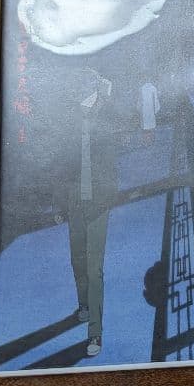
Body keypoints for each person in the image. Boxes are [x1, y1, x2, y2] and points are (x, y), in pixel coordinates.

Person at [65, 68, 116, 356]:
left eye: (87, 80)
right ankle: (83, 305)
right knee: (77, 258)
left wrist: (108, 98)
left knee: (94, 269)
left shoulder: (106, 111)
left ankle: (95, 333)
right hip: (75, 201)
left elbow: (113, 158)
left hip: (98, 202)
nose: (80, 84)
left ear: (95, 84)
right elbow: (60, 160)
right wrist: (61, 203)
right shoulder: (70, 113)